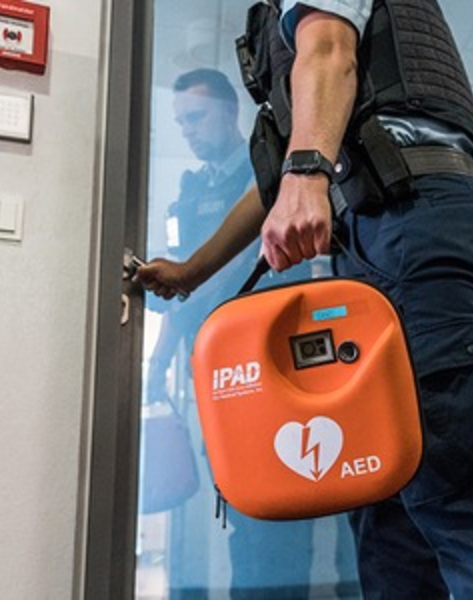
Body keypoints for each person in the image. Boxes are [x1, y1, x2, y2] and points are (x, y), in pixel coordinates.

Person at [139, 1, 473, 598]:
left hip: (409, 212)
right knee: (383, 492)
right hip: (389, 223)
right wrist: (194, 270)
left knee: (458, 486)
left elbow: (329, 50)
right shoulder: (280, 35)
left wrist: (306, 175)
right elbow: (274, 176)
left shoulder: (313, 30)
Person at [140, 68, 321, 598]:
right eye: (180, 121)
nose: (188, 130)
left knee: (278, 503)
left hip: (268, 360)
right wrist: (159, 361)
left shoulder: (264, 171)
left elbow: (233, 264)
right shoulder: (191, 188)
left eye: (195, 117)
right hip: (216, 369)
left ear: (229, 111)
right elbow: (184, 291)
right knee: (242, 499)